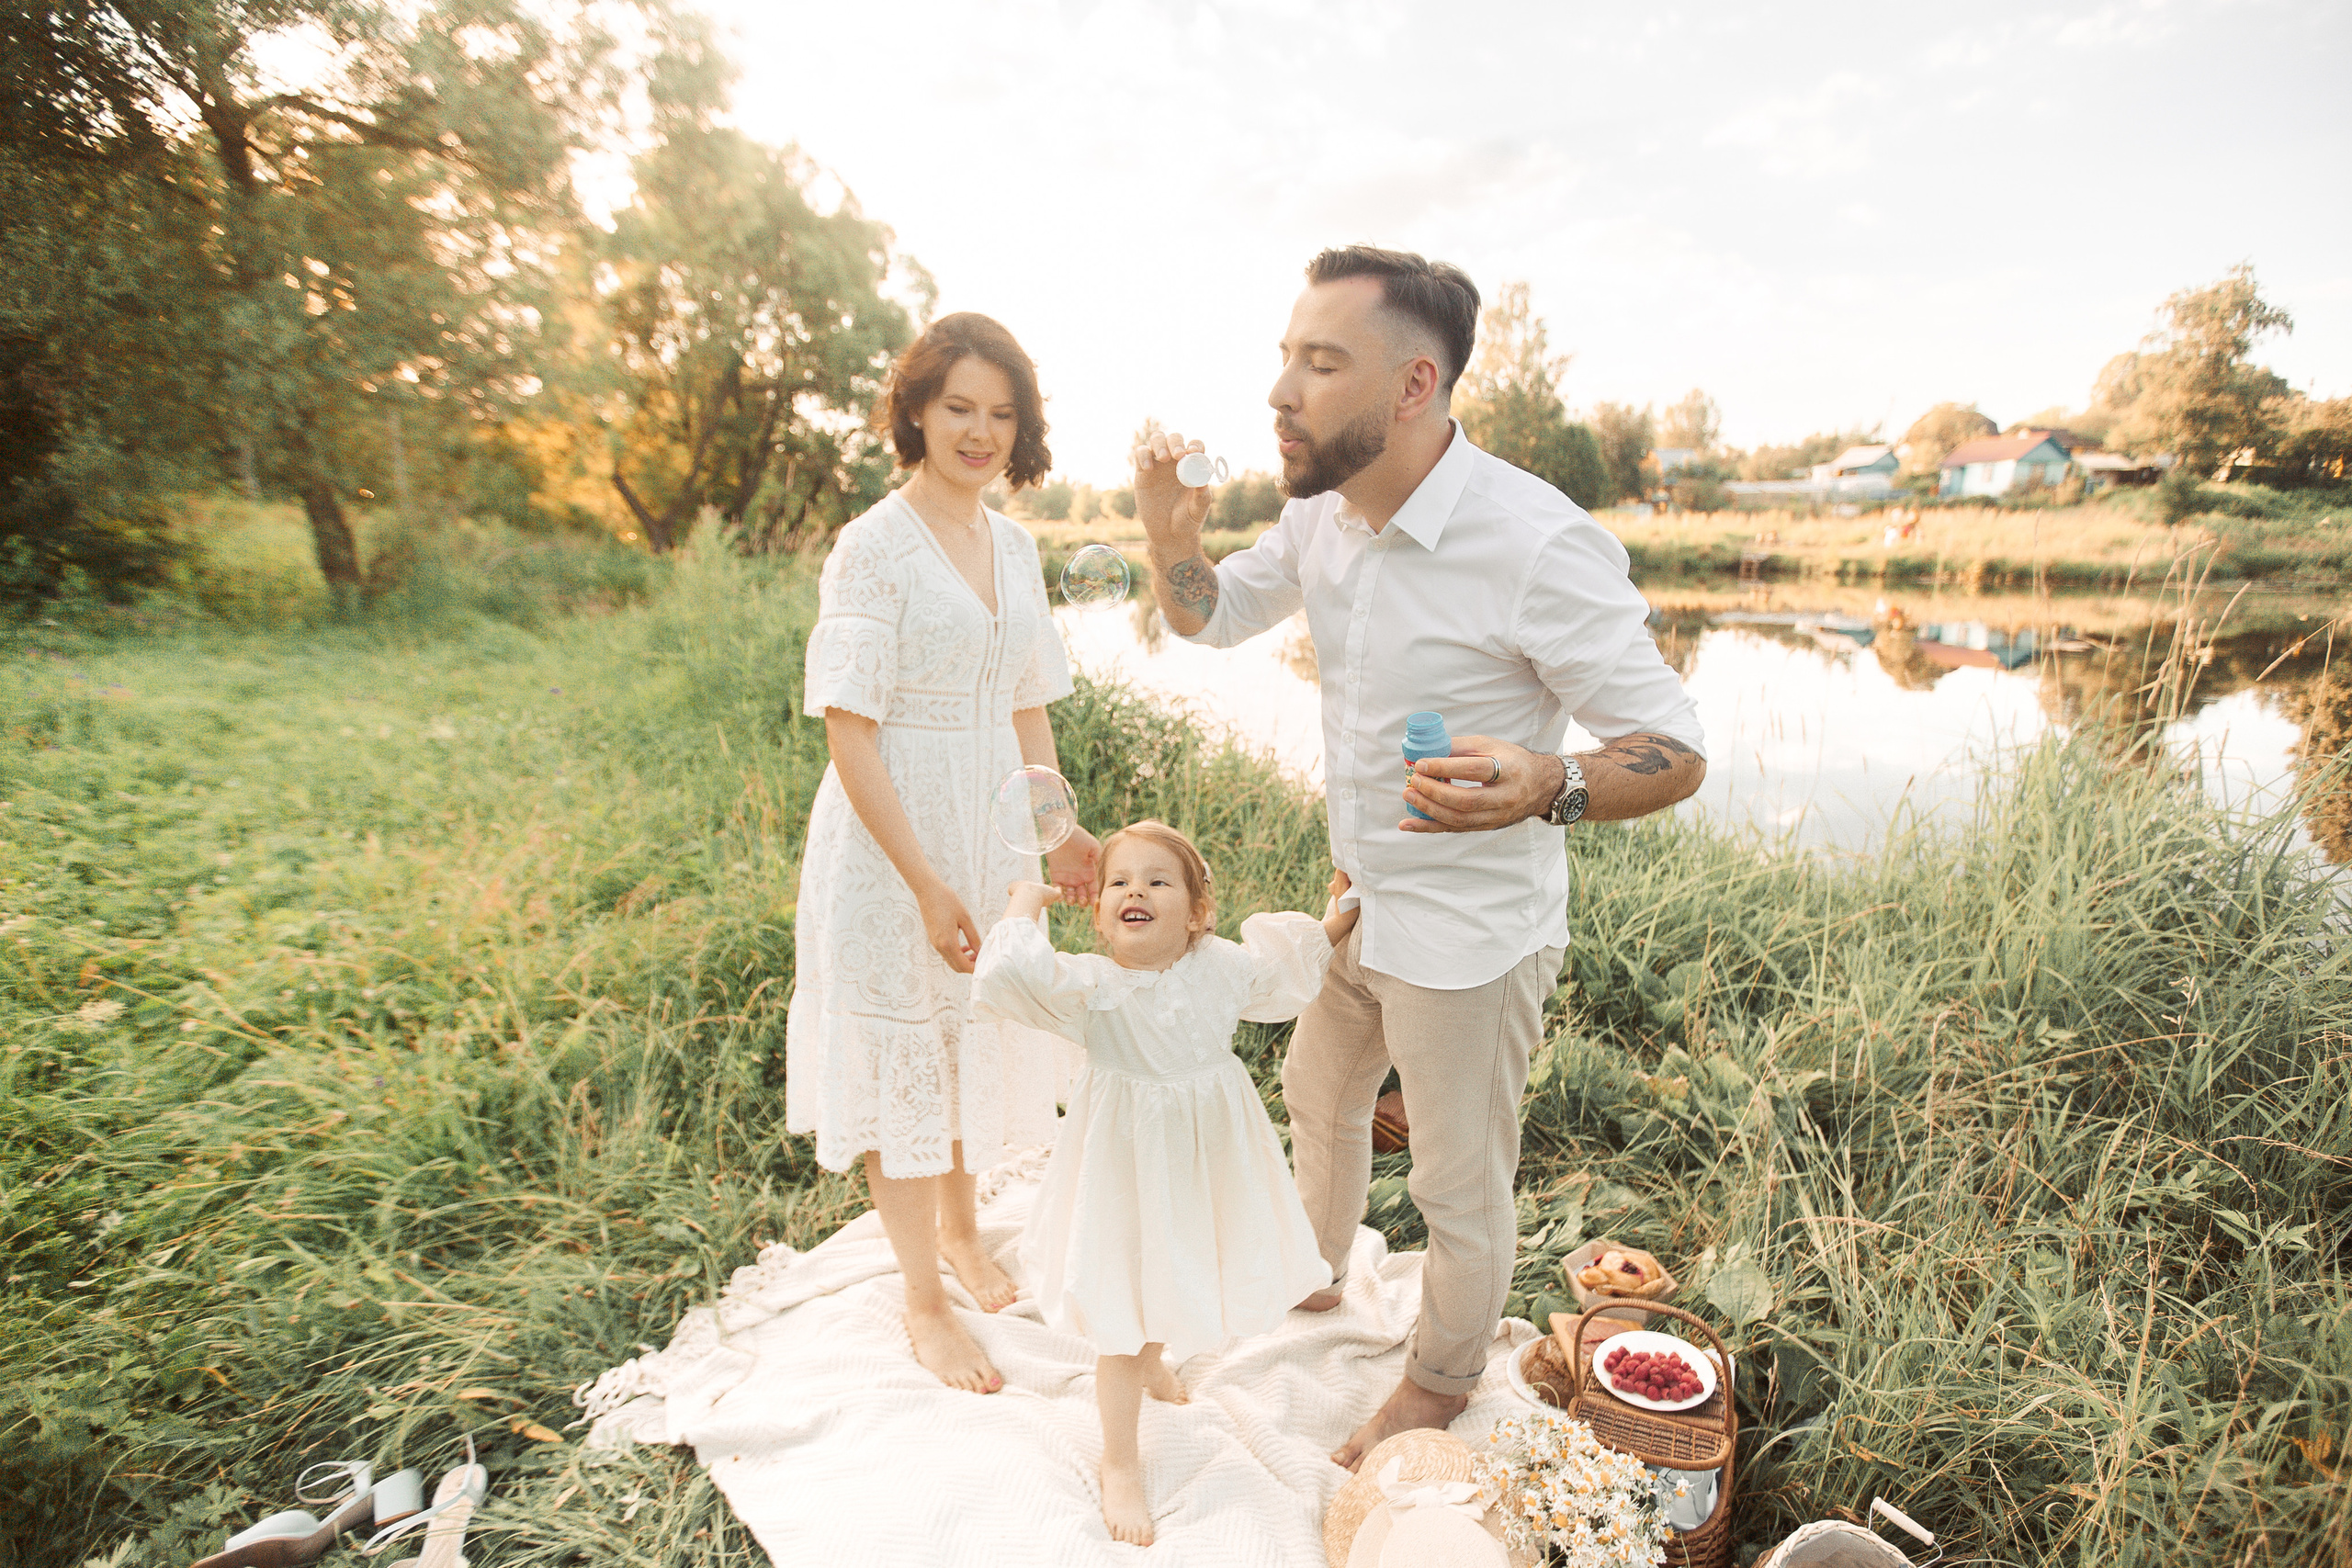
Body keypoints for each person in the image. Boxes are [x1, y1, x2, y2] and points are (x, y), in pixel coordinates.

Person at [1131, 245, 1708, 1470]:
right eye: (1284, 356)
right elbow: (1206, 613)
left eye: (1320, 360)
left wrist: (1551, 781)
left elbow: (1675, 748)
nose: (1281, 389)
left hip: (1472, 940)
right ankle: (1311, 1274)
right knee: (1317, 1092)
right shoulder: (1320, 515)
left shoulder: (1537, 544)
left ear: (1412, 385)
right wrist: (1168, 533)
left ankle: (1437, 1383)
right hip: (1361, 903)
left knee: (1457, 1184)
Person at [786, 311, 1102, 1398]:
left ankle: (966, 1238)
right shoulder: (871, 547)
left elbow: (1028, 710)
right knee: (908, 1052)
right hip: (892, 841)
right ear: (915, 411)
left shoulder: (1014, 545)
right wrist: (922, 881)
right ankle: (922, 1299)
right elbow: (848, 728)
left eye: (1000, 413)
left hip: (990, 820)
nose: (979, 431)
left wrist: (1055, 838)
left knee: (972, 1026)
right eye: (958, 407)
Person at [971, 823, 1356, 1545]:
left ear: (1196, 911)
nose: (1135, 891)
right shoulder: (1093, 985)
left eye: (1157, 880)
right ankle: (1121, 1457)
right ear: (1101, 914)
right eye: (1119, 882)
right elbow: (1006, 975)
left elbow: (1286, 972)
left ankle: (1153, 1358)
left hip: (1204, 1160)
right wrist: (1025, 901)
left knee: (1184, 1267)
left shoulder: (1219, 965)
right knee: (1123, 1301)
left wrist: (1343, 911)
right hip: (1124, 1167)